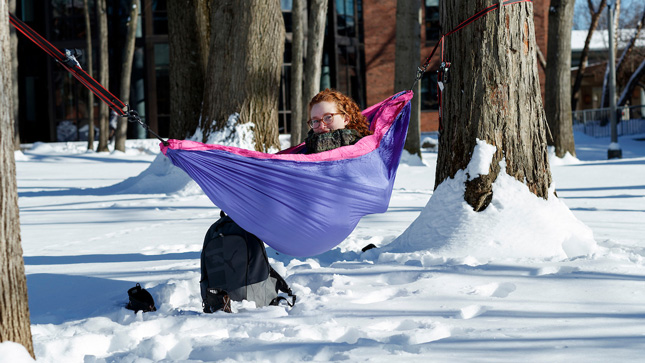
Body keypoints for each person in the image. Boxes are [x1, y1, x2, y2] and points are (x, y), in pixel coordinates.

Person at [303, 88, 372, 154]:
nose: (321, 126)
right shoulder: (302, 155)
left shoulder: (365, 150)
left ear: (346, 119)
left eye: (328, 117)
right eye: (315, 121)